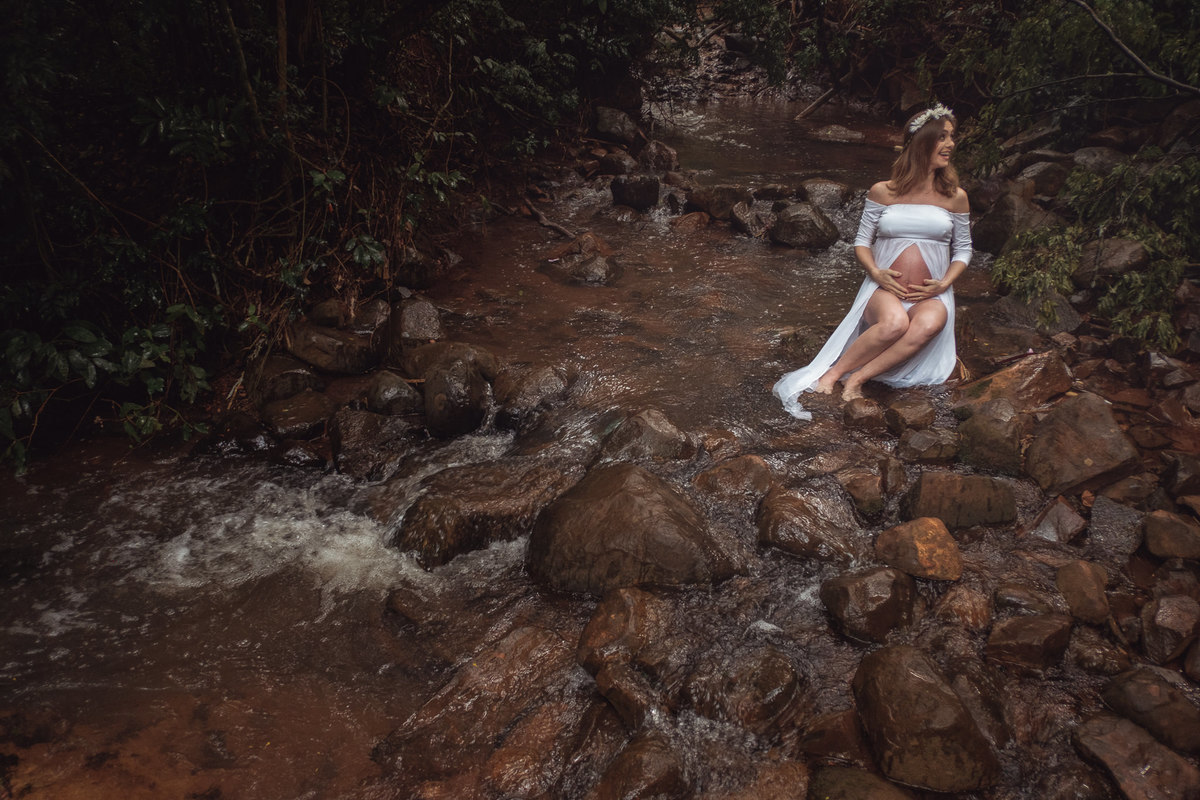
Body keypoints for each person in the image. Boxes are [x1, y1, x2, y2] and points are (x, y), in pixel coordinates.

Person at [773, 103, 973, 420]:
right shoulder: (884, 192)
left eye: (952, 137)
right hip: (884, 291)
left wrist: (945, 282)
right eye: (942, 137)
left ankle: (857, 378)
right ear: (921, 143)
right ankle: (831, 374)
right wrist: (877, 273)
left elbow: (963, 250)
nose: (951, 144)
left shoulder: (955, 196)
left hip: (929, 294)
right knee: (895, 323)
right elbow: (862, 242)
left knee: (930, 323)